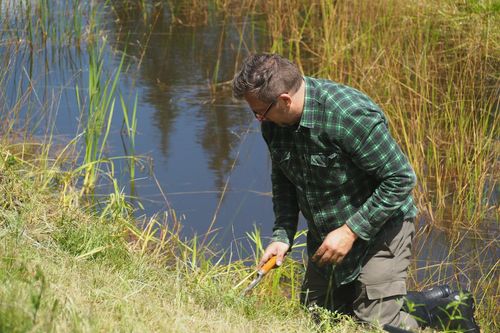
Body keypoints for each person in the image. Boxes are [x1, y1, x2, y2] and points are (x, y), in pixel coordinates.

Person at [232, 53, 479, 332]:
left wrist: (350, 232)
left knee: (375, 324)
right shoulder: (275, 124)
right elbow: (284, 180)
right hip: (328, 234)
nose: (257, 120)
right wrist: (282, 235)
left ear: (285, 100)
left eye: (259, 112)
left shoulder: (348, 115)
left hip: (382, 228)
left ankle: (446, 313)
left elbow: (400, 178)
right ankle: (426, 303)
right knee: (320, 319)